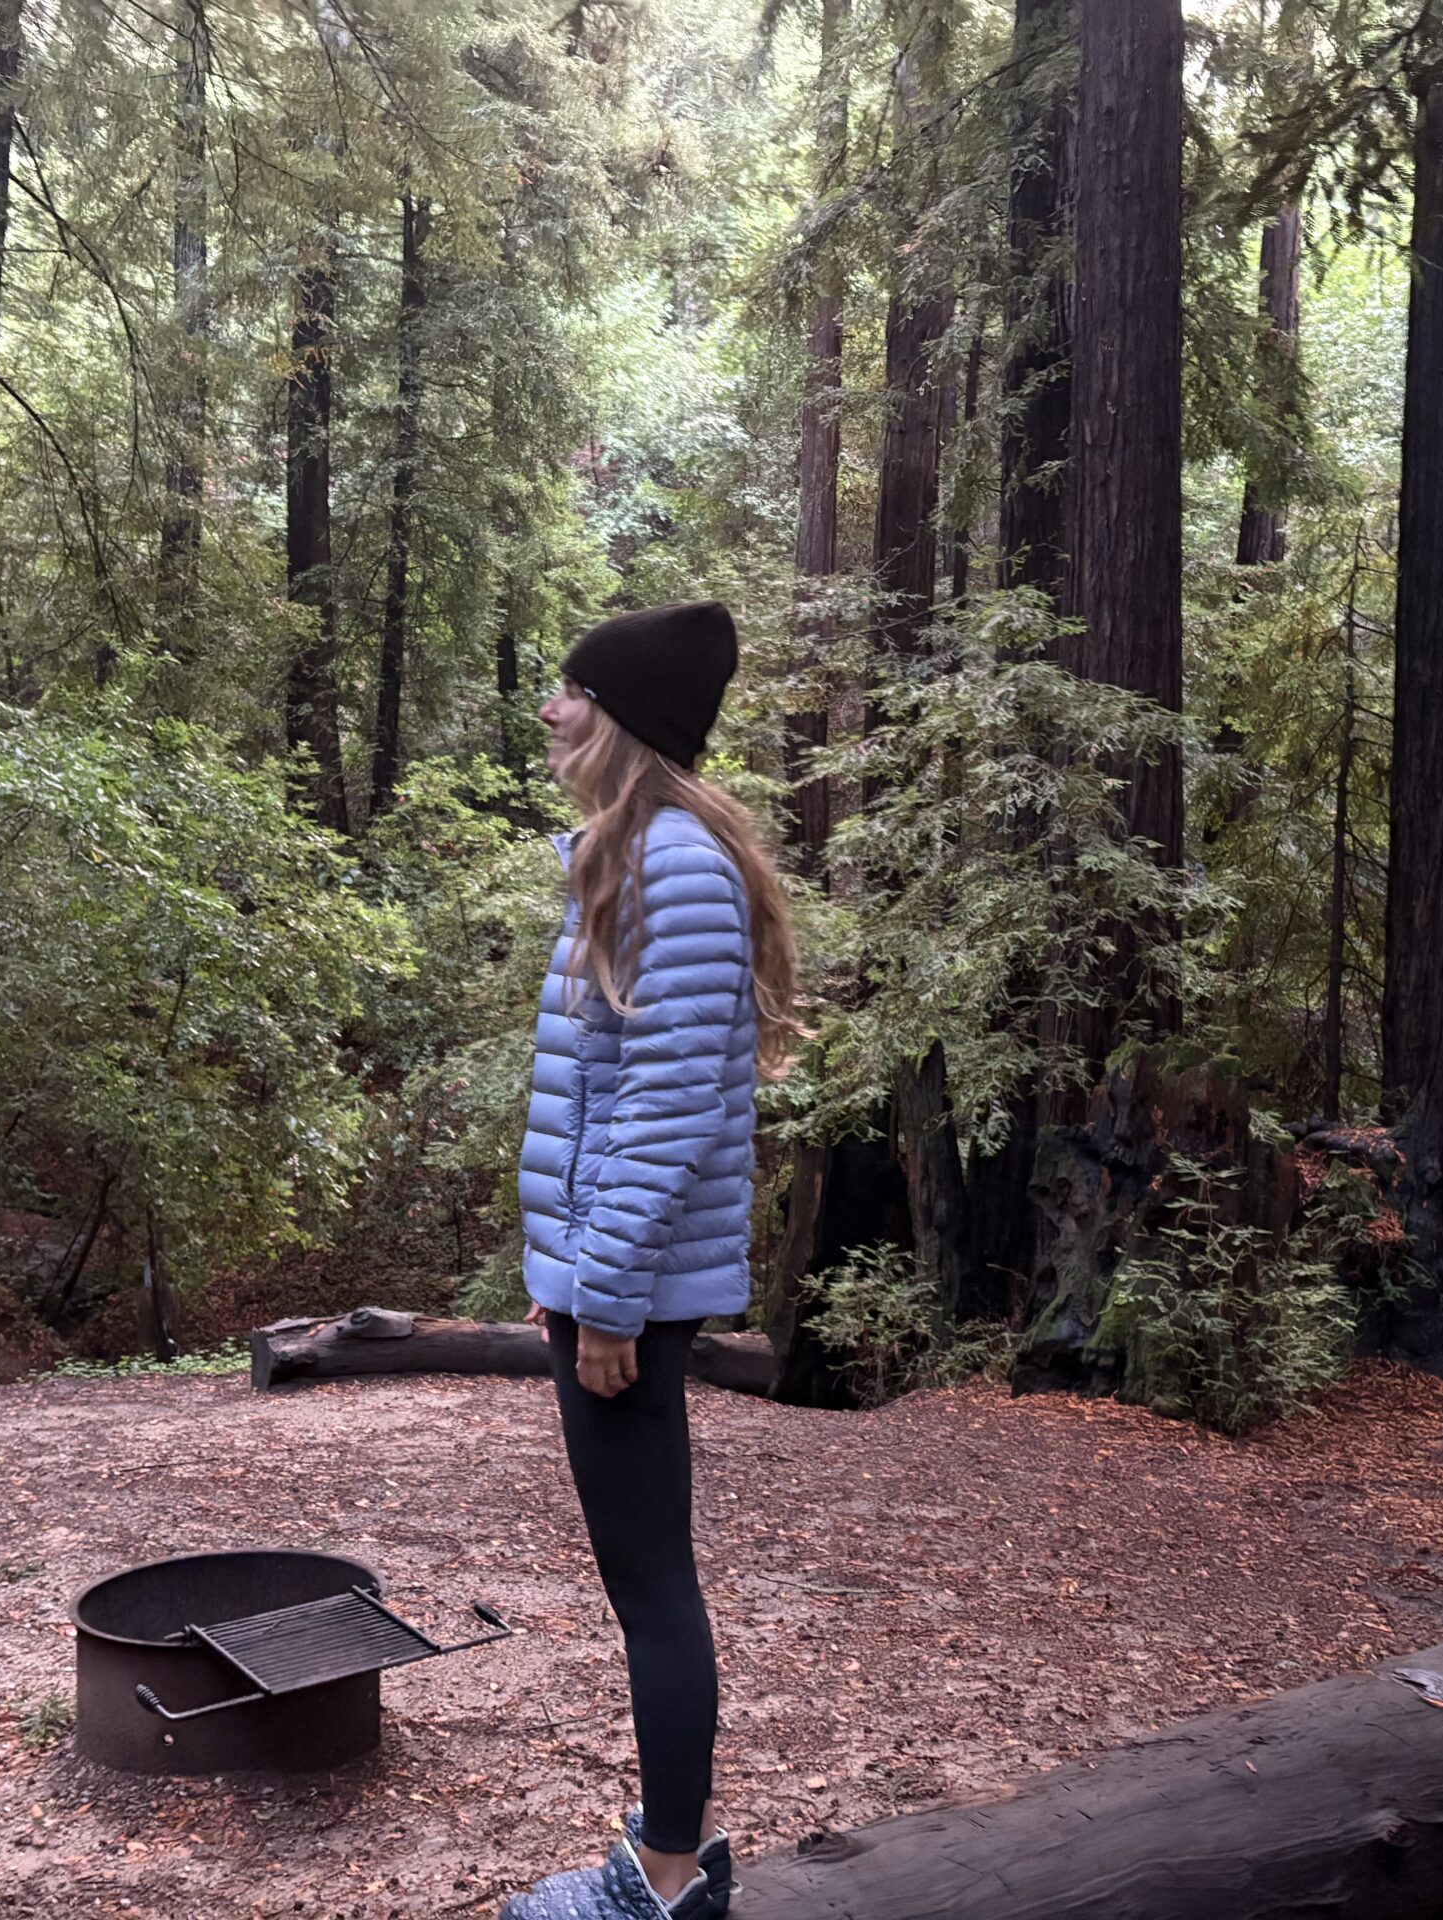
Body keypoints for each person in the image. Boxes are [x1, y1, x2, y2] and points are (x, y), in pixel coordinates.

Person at [500, 601, 804, 1920]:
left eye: (573, 690)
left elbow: (672, 1104)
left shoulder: (670, 865)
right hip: (604, 1276)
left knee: (654, 1587)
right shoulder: (637, 856)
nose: (554, 708)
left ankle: (668, 1881)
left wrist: (608, 1294)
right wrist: (563, 1268)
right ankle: (672, 1854)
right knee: (648, 1579)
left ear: (623, 720)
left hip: (630, 1289)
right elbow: (609, 1096)